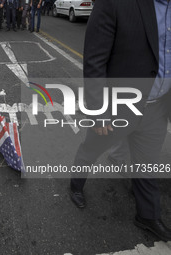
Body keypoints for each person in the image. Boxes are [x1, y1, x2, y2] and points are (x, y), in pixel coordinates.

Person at [69, 0, 171, 241]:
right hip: (118, 106)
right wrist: (98, 111)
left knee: (147, 163)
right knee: (91, 149)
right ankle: (75, 184)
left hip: (158, 106)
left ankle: (147, 215)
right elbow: (94, 60)